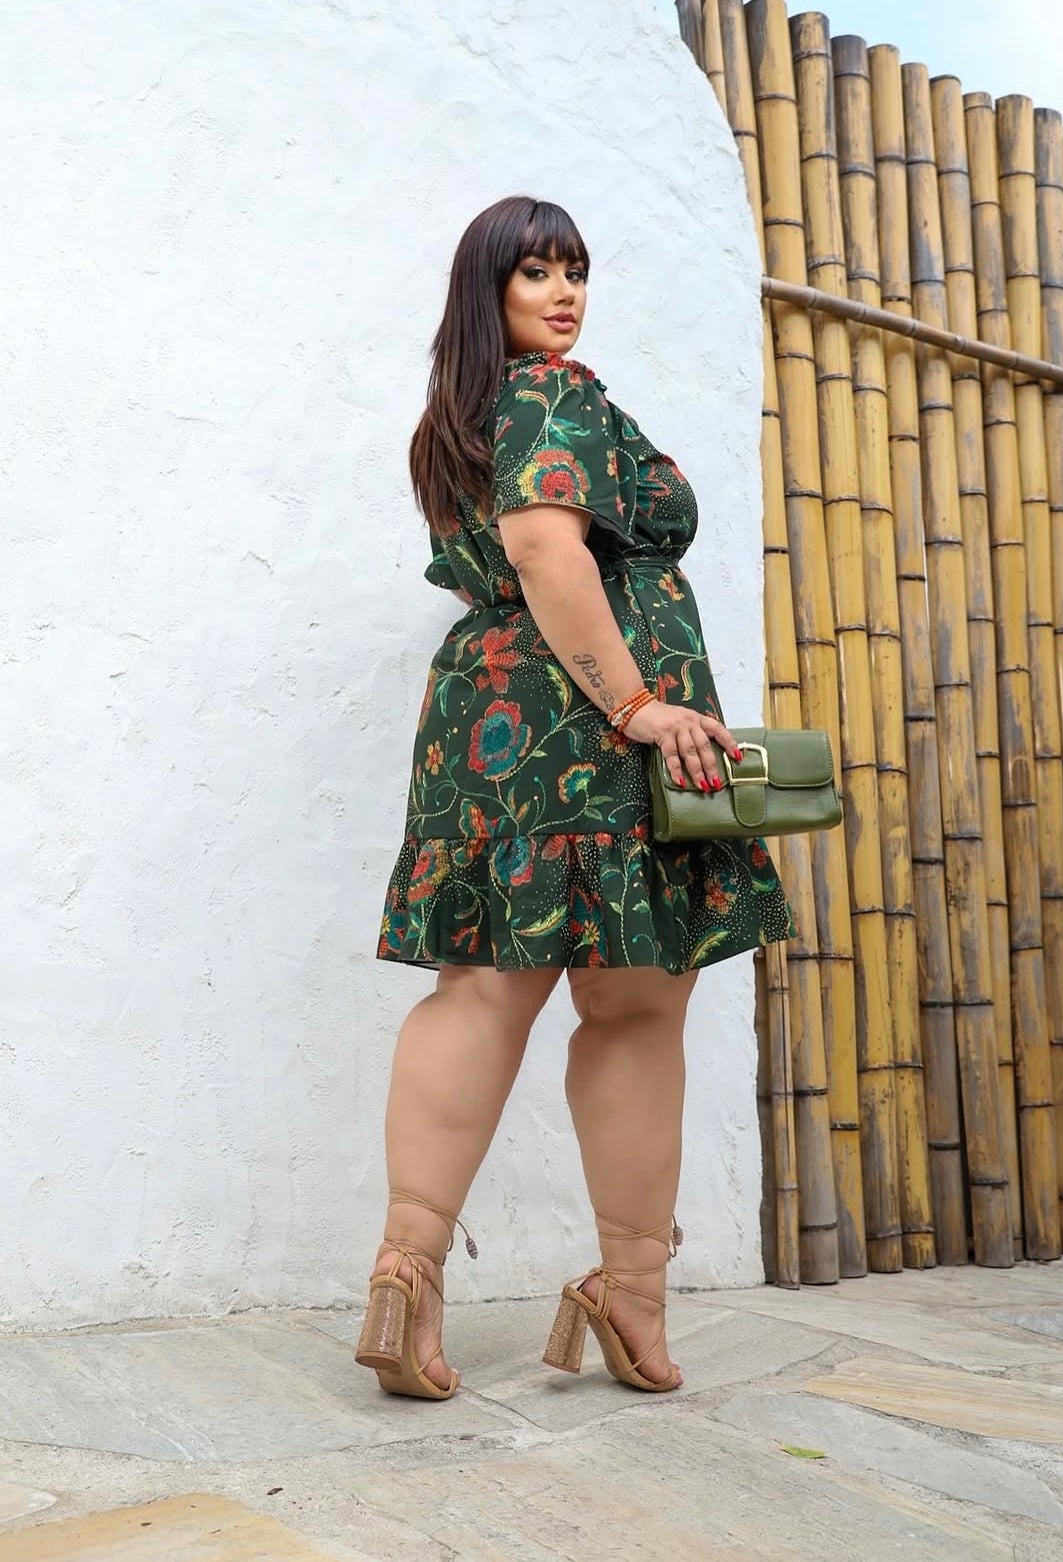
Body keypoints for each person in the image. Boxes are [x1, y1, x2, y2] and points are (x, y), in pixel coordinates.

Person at [356, 195, 794, 1400]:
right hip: (587, 732)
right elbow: (549, 548)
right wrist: (638, 703)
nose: (563, 293)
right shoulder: (554, 393)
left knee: (482, 986)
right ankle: (631, 1287)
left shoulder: (462, 416)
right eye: (535, 272)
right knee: (637, 1002)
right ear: (487, 290)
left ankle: (407, 1270)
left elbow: (504, 564)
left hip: (488, 724)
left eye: (576, 271)